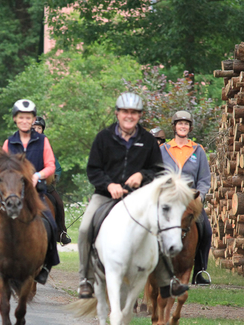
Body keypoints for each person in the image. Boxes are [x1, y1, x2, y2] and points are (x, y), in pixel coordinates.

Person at [77, 92, 189, 300]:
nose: (129, 116)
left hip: (138, 197)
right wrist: (109, 185)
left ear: (139, 115)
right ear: (118, 113)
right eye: (125, 112)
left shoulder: (147, 140)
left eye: (134, 113)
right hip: (106, 195)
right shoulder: (103, 137)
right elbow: (93, 169)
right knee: (84, 229)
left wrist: (142, 175)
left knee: (159, 225)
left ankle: (168, 280)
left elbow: (157, 171)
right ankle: (86, 279)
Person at [0, 99, 59, 284]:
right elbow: (2, 165)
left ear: (33, 120)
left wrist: (37, 175)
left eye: (28, 118)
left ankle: (47, 264)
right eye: (21, 117)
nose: (25, 121)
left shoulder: (43, 141)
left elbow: (51, 166)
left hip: (33, 192)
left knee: (51, 224)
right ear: (15, 119)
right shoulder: (10, 141)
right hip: (11, 191)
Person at [160, 110, 212, 285]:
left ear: (190, 128)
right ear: (174, 126)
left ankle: (199, 271)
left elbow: (204, 179)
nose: (183, 126)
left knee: (205, 229)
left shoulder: (198, 150)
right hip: (168, 198)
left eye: (186, 124)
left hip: (190, 199)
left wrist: (200, 196)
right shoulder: (163, 150)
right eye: (180, 123)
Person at [32, 116, 71, 245]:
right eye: (34, 128)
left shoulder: (45, 144)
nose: (36, 130)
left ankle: (61, 232)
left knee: (59, 203)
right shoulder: (22, 143)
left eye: (39, 128)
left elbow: (56, 166)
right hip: (25, 184)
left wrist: (54, 178)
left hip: (44, 184)